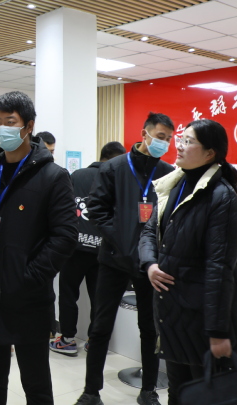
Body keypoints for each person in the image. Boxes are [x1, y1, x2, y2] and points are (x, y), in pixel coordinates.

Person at [0, 91, 77, 405]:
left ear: (29, 126)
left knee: (36, 385)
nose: (2, 129)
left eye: (10, 122)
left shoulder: (53, 177)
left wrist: (28, 278)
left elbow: (65, 236)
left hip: (28, 302)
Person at [139, 119, 237, 405]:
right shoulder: (175, 184)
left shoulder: (222, 197)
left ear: (210, 153)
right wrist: (150, 264)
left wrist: (217, 332)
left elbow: (219, 269)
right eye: (181, 139)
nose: (179, 146)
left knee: (206, 397)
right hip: (174, 314)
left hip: (204, 322)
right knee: (178, 393)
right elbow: (150, 230)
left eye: (188, 142)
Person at [75, 113, 176, 405]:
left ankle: (148, 390)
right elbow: (97, 209)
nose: (164, 143)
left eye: (168, 139)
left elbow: (170, 215)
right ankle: (91, 391)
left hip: (150, 264)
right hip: (113, 259)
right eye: (160, 137)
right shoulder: (114, 167)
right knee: (100, 326)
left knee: (150, 328)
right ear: (145, 134)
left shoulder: (169, 173)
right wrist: (122, 241)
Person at [51, 141, 125, 357]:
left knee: (68, 294)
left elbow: (65, 206)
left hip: (74, 247)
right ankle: (95, 341)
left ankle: (67, 340)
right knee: (99, 298)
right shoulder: (117, 179)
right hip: (103, 249)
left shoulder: (78, 175)